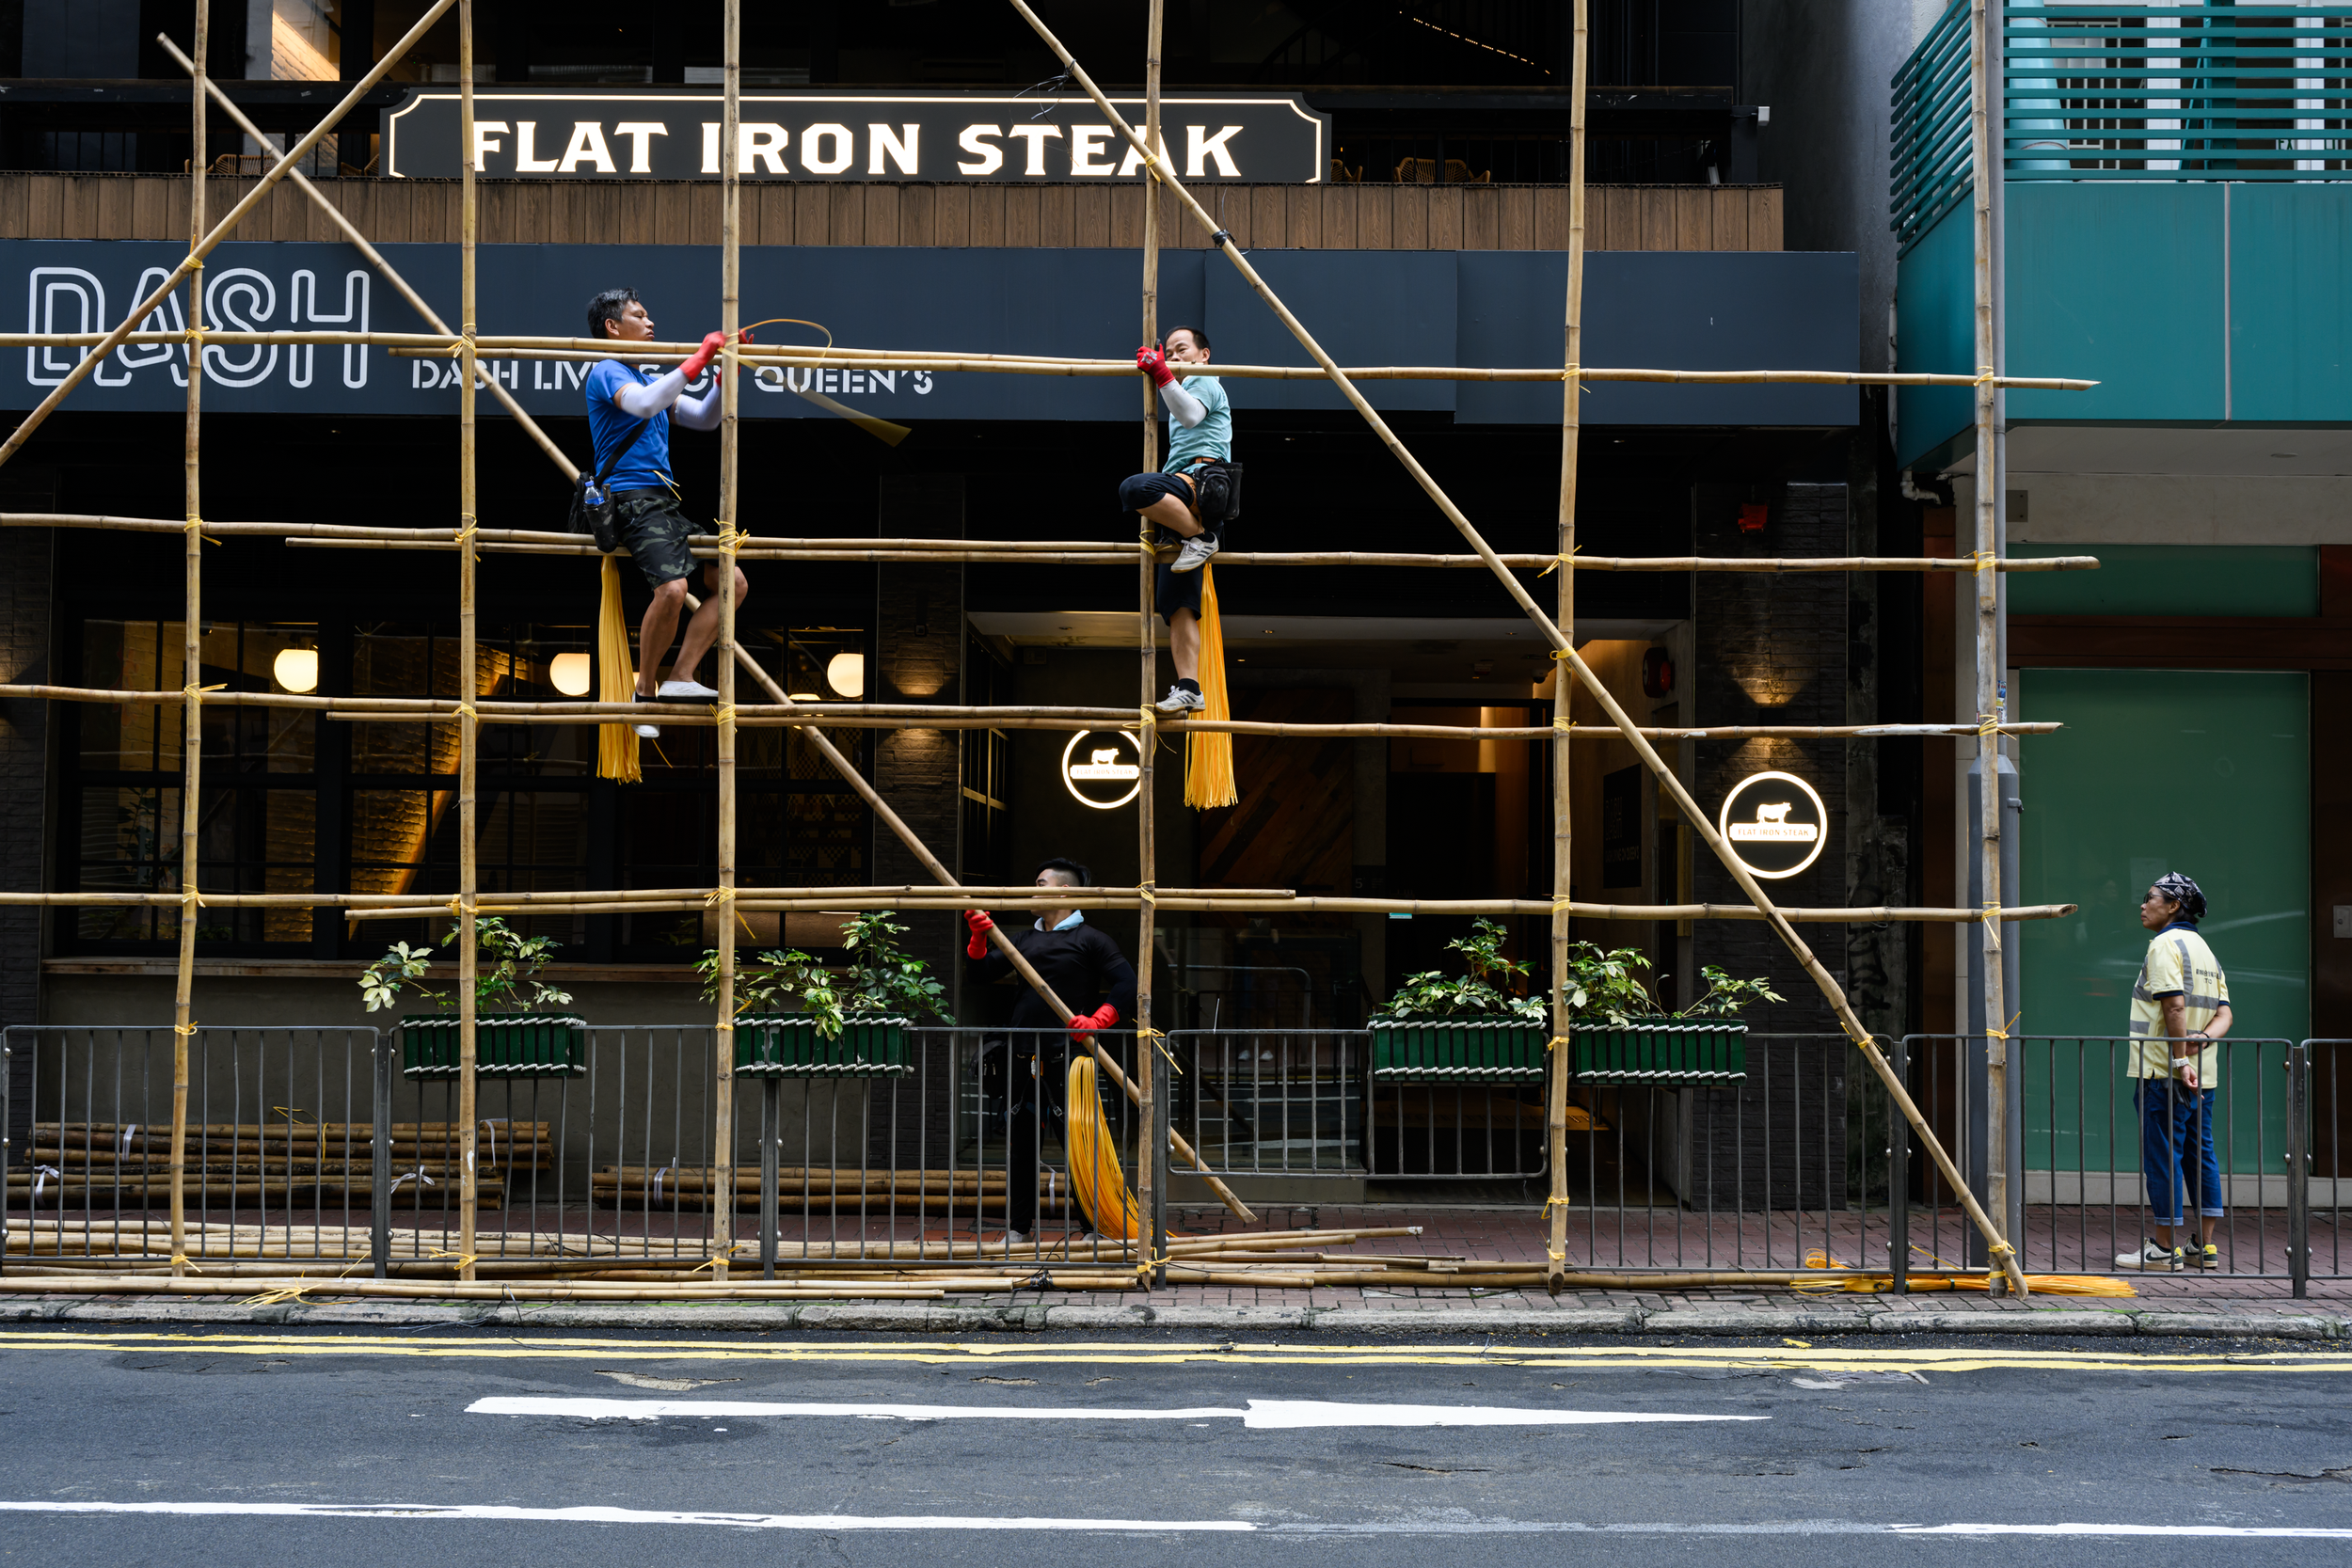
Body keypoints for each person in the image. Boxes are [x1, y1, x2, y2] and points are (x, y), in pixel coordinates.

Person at [583, 287, 750, 739]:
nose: (651, 321)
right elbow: (643, 405)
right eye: (640, 315)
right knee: (673, 589)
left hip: (664, 503)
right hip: (632, 499)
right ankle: (644, 692)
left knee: (732, 584)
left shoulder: (646, 378)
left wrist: (719, 378)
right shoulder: (607, 371)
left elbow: (703, 418)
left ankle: (681, 674)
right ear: (613, 327)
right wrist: (697, 360)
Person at [962, 857, 1136, 1247]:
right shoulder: (1022, 940)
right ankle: (1019, 1228)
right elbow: (979, 974)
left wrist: (1099, 1019)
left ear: (1064, 891)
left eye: (1039, 883)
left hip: (1072, 1060)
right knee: (1021, 1147)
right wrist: (978, 938)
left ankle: (1092, 1227)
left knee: (1082, 1146)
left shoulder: (1091, 939)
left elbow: (1127, 983)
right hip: (1023, 1057)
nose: (1031, 889)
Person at [2114, 872, 2233, 1272]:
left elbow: (2174, 1007)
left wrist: (2180, 1059)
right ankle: (2205, 1246)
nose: (2143, 904)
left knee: (2163, 1156)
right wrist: (2201, 1040)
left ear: (2174, 906)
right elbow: (2225, 1014)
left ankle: (2164, 1250)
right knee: (2202, 1156)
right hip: (2205, 1075)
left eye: (2151, 898)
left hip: (2164, 1072)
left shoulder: (2165, 945)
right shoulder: (2204, 949)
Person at [1116, 325, 1231, 715]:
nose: (1176, 357)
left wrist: (1163, 374)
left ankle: (1199, 537)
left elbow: (1193, 415)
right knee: (1177, 605)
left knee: (1135, 489)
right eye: (1171, 352)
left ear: (1204, 355)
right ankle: (1189, 688)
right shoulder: (1182, 385)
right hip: (1184, 494)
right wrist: (1166, 378)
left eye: (1183, 350)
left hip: (1203, 481)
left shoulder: (1205, 380)